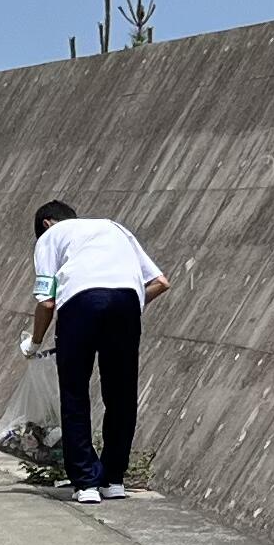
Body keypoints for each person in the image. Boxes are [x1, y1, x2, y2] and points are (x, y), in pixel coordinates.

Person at [28, 196, 169, 505]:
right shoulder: (113, 228)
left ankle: (86, 482)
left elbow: (46, 301)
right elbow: (160, 282)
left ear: (46, 224)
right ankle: (113, 479)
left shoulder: (50, 236)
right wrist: (125, 307)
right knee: (121, 393)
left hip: (80, 301)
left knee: (75, 392)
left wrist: (34, 343)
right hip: (127, 301)